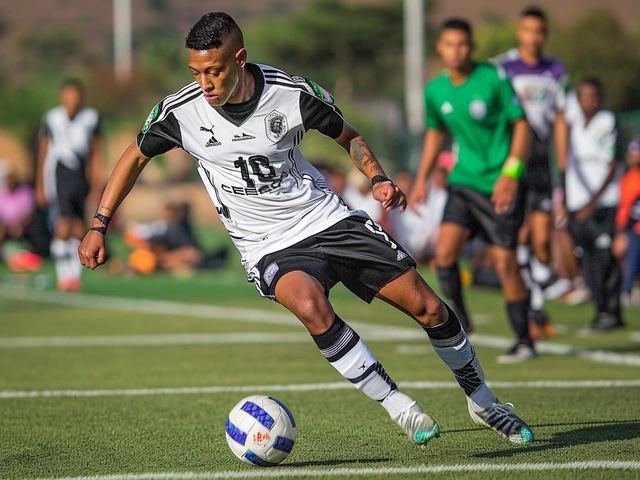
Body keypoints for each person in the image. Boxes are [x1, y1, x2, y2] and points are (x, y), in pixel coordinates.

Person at [78, 12, 533, 449]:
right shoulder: (180, 112)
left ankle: (483, 401)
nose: (205, 84)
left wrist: (378, 178)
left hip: (326, 218)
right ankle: (398, 405)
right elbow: (135, 156)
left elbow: (349, 136)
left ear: (239, 59)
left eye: (214, 71)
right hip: (267, 244)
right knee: (310, 305)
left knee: (430, 307)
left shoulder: (292, 94)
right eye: (196, 72)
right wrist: (100, 224)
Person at [409, 19, 535, 363]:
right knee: (444, 254)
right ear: (440, 47)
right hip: (462, 182)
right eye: (449, 44)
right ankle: (462, 324)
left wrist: (511, 173)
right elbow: (436, 133)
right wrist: (421, 178)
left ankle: (525, 339)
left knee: (506, 263)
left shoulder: (493, 78)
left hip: (499, 184)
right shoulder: (435, 90)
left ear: (471, 47)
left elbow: (522, 125)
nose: (456, 51)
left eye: (462, 44)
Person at [492, 6, 572, 339]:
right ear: (519, 32)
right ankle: (534, 307)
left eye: (539, 31)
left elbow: (560, 120)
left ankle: (538, 297)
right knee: (516, 238)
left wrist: (562, 168)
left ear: (545, 34)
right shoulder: (501, 67)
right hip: (510, 161)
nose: (533, 37)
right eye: (527, 30)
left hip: (539, 160)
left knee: (541, 238)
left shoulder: (555, 70)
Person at [558, 78, 623, 331]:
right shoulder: (572, 122)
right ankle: (600, 311)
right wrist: (564, 199)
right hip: (576, 203)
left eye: (593, 96)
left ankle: (612, 310)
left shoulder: (608, 121)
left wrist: (593, 201)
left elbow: (614, 163)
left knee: (606, 256)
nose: (588, 101)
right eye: (583, 96)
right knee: (588, 258)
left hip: (604, 203)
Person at [36, 79, 104, 292]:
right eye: (70, 95)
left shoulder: (91, 117)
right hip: (59, 176)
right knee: (63, 224)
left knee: (79, 227)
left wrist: (96, 183)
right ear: (63, 97)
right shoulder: (52, 118)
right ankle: (62, 275)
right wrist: (39, 184)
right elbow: (44, 151)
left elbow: (96, 152)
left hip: (80, 176)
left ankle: (74, 277)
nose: (73, 100)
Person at [615, 137, 640, 307]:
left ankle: (627, 288)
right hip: (632, 229)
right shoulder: (627, 178)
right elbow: (624, 208)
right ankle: (627, 288)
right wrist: (620, 233)